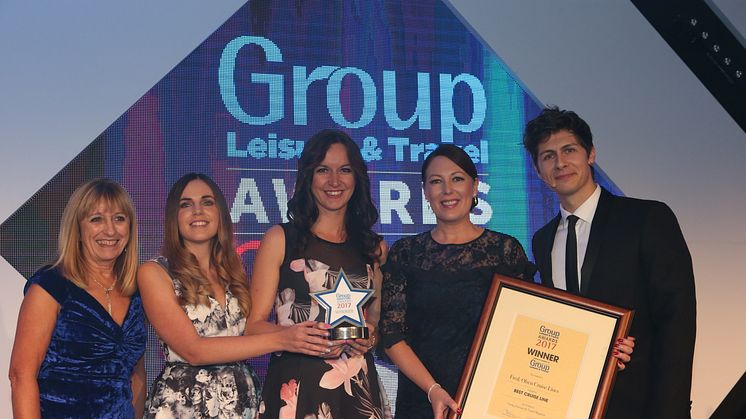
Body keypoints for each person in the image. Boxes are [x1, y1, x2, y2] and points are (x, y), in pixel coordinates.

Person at [524, 106, 696, 419]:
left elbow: (678, 322)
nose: (560, 163)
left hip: (643, 403)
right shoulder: (543, 240)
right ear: (538, 171)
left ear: (590, 154)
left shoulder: (647, 218)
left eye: (569, 150)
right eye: (547, 156)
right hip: (574, 406)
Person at [139, 173, 332, 418]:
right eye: (186, 204)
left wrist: (315, 336)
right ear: (173, 217)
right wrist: (284, 339)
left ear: (220, 213)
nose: (197, 211)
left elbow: (252, 331)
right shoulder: (155, 272)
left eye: (207, 202)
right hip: (185, 405)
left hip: (242, 403)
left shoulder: (233, 272)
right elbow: (193, 350)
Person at [378, 144, 538, 418]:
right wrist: (433, 390)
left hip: (490, 401)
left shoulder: (505, 250)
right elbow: (391, 335)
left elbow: (527, 329)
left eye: (457, 179)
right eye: (436, 182)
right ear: (426, 192)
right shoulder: (406, 253)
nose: (447, 190)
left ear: (475, 186)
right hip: (423, 401)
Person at [247, 129, 389, 418]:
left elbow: (375, 324)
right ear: (308, 176)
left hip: (356, 390)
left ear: (357, 178)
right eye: (323, 170)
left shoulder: (374, 248)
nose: (334, 181)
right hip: (297, 386)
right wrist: (291, 336)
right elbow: (253, 327)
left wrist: (370, 338)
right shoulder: (280, 239)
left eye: (344, 170)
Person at [8, 178, 147, 418]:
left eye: (119, 218)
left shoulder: (138, 292)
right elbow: (21, 376)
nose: (110, 230)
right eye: (96, 219)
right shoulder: (52, 286)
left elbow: (137, 376)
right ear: (78, 229)